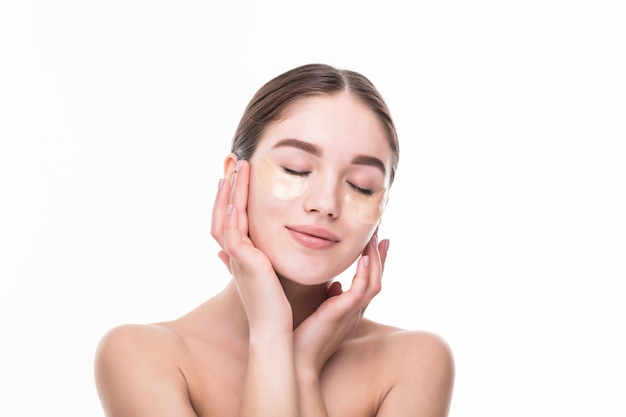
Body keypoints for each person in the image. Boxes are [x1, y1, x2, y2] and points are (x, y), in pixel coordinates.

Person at [94, 63, 454, 417]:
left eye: (361, 186)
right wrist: (270, 334)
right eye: (296, 169)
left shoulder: (414, 363)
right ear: (235, 177)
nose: (326, 204)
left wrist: (303, 367)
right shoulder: (141, 356)